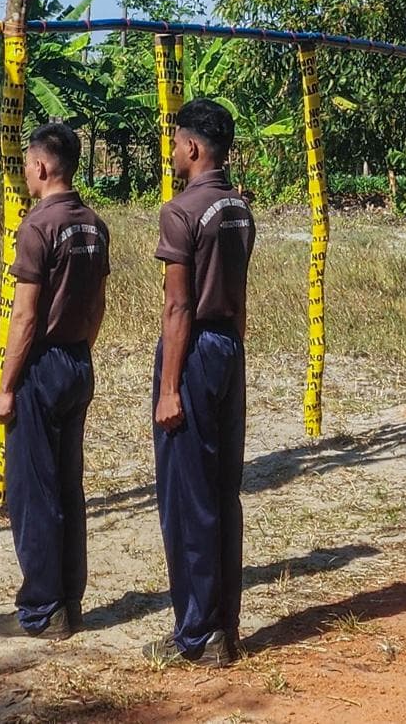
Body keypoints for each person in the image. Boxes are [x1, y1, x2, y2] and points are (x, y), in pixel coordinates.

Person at [0, 122, 111, 641]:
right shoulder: (94, 225)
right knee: (67, 485)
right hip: (78, 361)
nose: (25, 172)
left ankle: (42, 609)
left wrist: (7, 386)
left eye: (26, 163)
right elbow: (97, 304)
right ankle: (70, 602)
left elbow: (24, 316)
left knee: (32, 491)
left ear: (40, 166)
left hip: (41, 366)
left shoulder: (37, 226)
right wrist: (79, 354)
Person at [145, 98, 255, 667]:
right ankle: (225, 626)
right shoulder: (239, 208)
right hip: (228, 350)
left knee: (187, 499)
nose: (172, 152)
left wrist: (169, 388)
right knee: (221, 491)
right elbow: (238, 293)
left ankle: (197, 632)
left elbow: (178, 306)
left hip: (191, 353)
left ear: (192, 147)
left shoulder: (181, 210)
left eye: (174, 143)